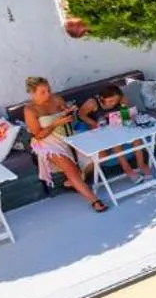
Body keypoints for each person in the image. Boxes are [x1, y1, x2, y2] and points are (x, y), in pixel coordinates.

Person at [21, 76, 105, 213]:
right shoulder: (30, 110)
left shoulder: (57, 99)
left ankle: (77, 178)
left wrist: (69, 113)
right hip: (47, 142)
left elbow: (68, 116)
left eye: (48, 90)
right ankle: (94, 200)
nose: (48, 94)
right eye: (43, 92)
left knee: (101, 154)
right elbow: (38, 135)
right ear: (32, 93)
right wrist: (55, 124)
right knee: (70, 169)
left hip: (68, 135)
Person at [75, 87, 152, 182]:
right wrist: (94, 124)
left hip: (116, 125)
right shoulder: (92, 103)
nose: (113, 103)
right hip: (99, 128)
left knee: (136, 137)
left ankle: (141, 164)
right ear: (101, 98)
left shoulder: (121, 100)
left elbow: (126, 115)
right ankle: (127, 170)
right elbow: (81, 115)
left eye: (116, 100)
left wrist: (125, 111)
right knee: (115, 141)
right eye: (110, 101)